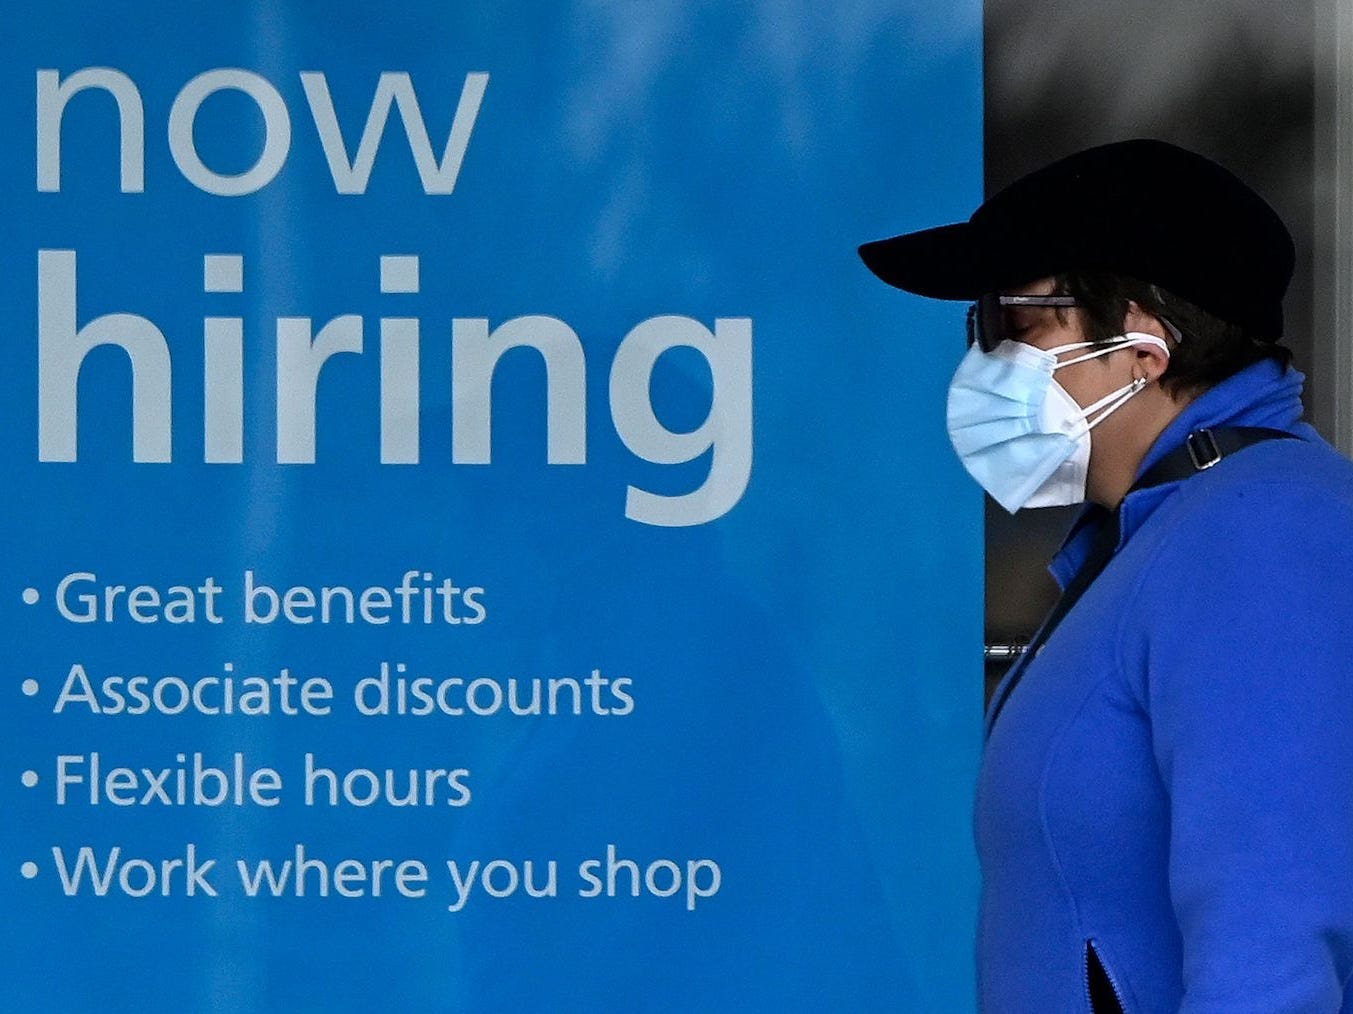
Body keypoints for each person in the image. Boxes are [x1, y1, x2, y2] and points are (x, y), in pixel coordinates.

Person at [859, 138, 1353, 1013]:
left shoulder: (1260, 527)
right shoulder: (1155, 535)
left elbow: (1273, 941)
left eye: (1015, 322)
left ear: (1142, 344)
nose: (985, 359)